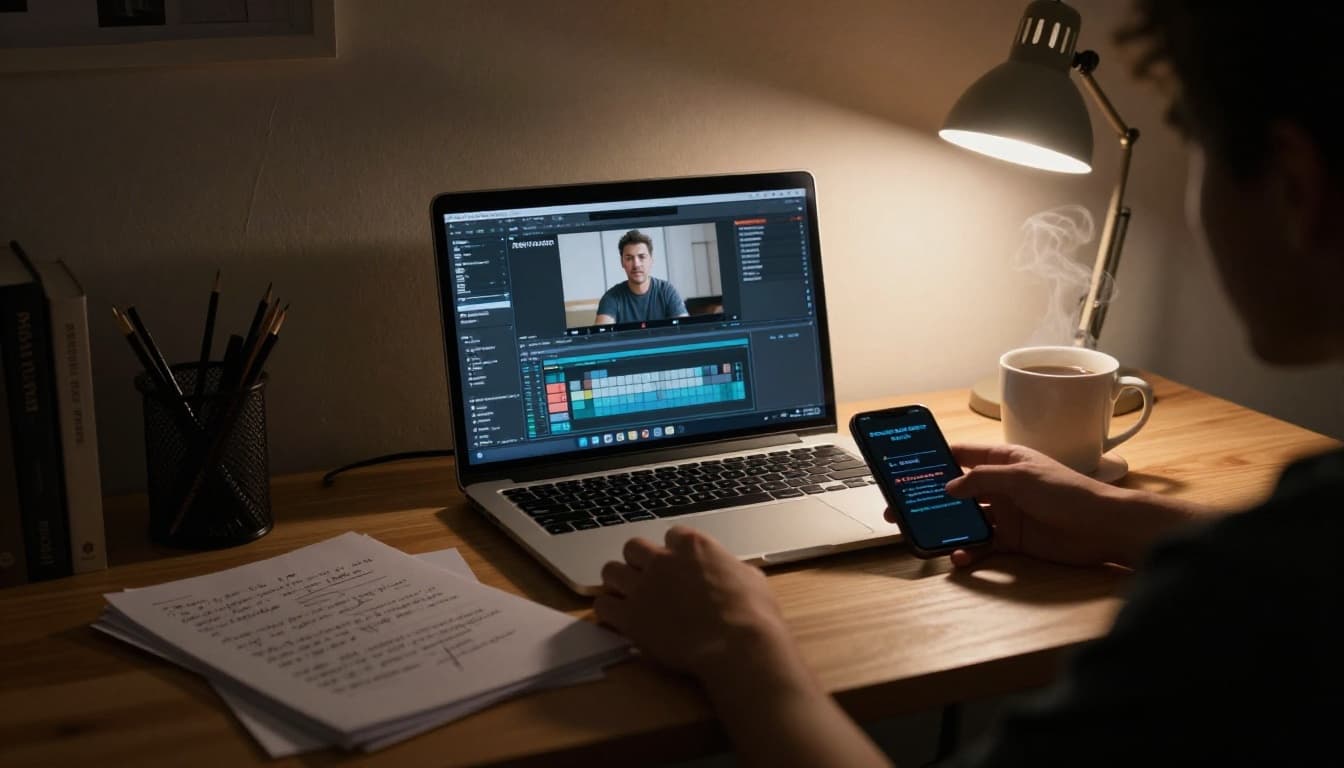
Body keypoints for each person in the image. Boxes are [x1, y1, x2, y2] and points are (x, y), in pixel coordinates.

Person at [593, 2, 1344, 765]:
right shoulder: (1288, 548)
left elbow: (1278, 580)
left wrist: (739, 645)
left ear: (1293, 187)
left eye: (1197, 153)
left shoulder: (1252, 589)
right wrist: (1124, 519)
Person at [594, 229, 689, 325]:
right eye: (629, 258)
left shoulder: (667, 292)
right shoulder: (612, 297)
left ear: (651, 260)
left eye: (642, 257)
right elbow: (602, 335)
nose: (636, 264)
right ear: (622, 262)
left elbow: (685, 329)